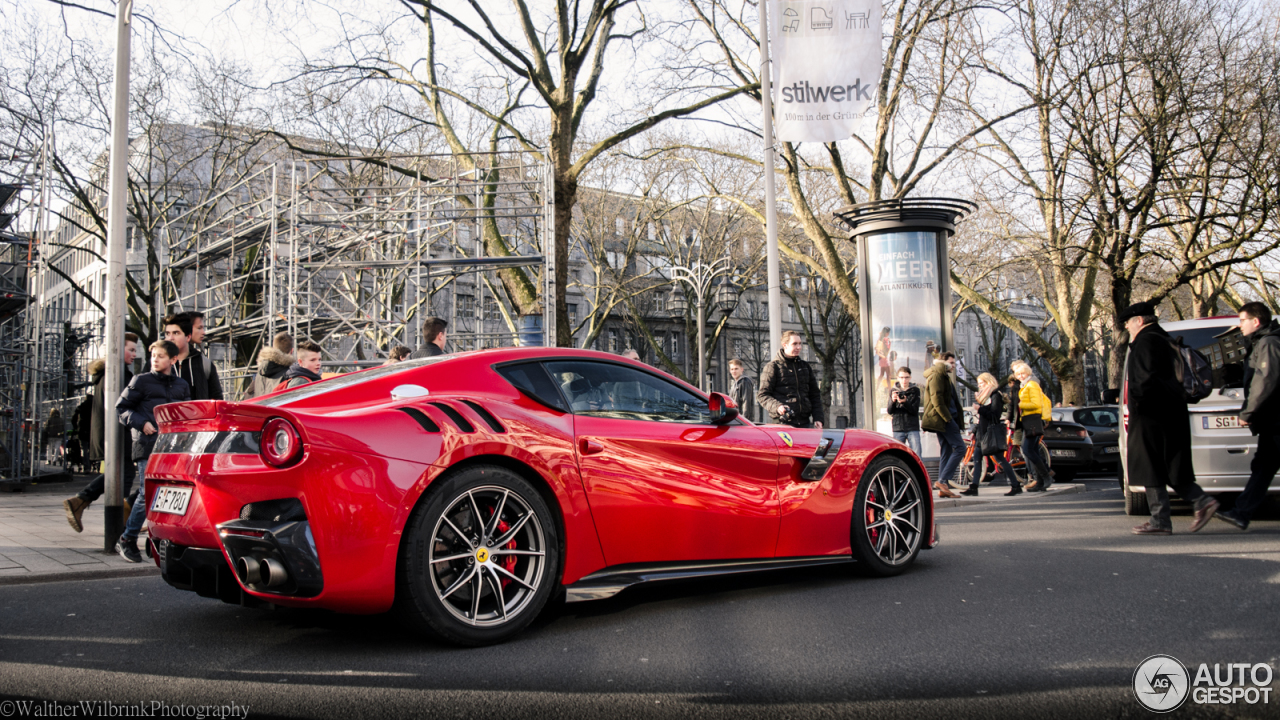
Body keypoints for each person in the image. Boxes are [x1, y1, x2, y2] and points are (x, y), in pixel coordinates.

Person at [1121, 301, 1218, 535]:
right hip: (1172, 410)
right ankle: (1198, 501)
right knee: (1170, 465)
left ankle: (1161, 520)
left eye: (1127, 323)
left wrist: (1138, 407)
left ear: (1139, 321)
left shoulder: (1144, 341)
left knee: (1149, 464)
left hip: (1151, 413)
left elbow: (1143, 380)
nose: (1126, 328)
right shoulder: (1164, 338)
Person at [115, 340, 191, 563]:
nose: (155, 360)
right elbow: (121, 408)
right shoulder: (141, 380)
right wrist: (141, 423)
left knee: (170, 494)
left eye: (160, 356)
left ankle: (162, 539)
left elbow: (185, 415)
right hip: (146, 444)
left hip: (172, 447)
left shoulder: (181, 385)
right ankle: (127, 539)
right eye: (153, 356)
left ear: (173, 360)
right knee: (147, 494)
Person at [63, 334, 139, 533]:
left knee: (119, 474)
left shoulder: (109, 373)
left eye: (135, 349)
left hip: (111, 434)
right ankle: (117, 527)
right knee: (123, 475)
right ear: (116, 350)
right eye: (130, 349)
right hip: (118, 435)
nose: (135, 354)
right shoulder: (117, 375)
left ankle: (83, 501)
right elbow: (123, 408)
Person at [1216, 302, 1280, 530]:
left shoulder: (1269, 343)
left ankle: (1241, 513)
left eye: (1242, 320)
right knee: (1263, 467)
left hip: (1276, 420)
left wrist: (1248, 412)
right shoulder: (1262, 343)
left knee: (1263, 467)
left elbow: (1266, 381)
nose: (1239, 325)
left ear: (1256, 321)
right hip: (1273, 420)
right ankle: (1241, 513)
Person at [963, 372, 1021, 496]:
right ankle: (974, 487)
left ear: (989, 382)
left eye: (982, 383)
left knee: (1001, 460)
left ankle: (1015, 485)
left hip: (990, 434)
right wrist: (975, 431)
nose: (980, 386)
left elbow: (994, 415)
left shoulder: (995, 395)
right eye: (978, 384)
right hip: (982, 433)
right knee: (978, 459)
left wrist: (980, 409)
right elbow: (981, 419)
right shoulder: (984, 397)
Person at [757, 331, 824, 429]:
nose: (799, 347)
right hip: (783, 423)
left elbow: (814, 395)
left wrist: (818, 418)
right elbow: (762, 395)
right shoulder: (773, 367)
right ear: (785, 345)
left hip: (805, 423)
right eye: (795, 344)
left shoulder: (805, 367)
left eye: (800, 343)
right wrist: (778, 407)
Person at [922, 352, 965, 497]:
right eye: (951, 363)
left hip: (945, 418)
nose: (954, 366)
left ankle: (943, 487)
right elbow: (937, 400)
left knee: (946, 450)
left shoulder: (943, 375)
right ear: (943, 363)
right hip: (945, 419)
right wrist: (948, 419)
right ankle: (942, 480)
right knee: (960, 448)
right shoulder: (937, 375)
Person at [1011, 360, 1054, 492]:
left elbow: (1036, 404)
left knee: (1028, 449)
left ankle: (1045, 476)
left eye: (1023, 373)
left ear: (1028, 373)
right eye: (1018, 374)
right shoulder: (1025, 385)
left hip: (1033, 421)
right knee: (1031, 450)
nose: (1020, 376)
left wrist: (1020, 405)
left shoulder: (1032, 385)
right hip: (1028, 421)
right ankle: (1040, 481)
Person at [163, 313, 223, 401]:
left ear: (188, 337)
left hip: (198, 414)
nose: (170, 338)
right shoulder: (156, 363)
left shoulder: (204, 364)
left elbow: (217, 399)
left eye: (176, 333)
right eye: (167, 334)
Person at [887, 366, 922, 456]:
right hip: (898, 428)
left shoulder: (915, 390)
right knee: (898, 455)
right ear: (898, 378)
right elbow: (890, 411)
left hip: (912, 427)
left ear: (910, 377)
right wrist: (893, 401)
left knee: (917, 455)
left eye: (906, 377)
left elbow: (914, 410)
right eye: (902, 377)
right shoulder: (893, 391)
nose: (904, 380)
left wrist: (905, 402)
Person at [249, 332, 294, 397]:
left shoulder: (260, 370)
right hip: (276, 407)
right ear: (292, 351)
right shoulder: (289, 373)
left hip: (259, 406)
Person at [727, 358, 756, 422]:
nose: (734, 371)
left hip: (741, 421)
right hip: (736, 419)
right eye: (732, 369)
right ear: (730, 371)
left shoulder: (745, 381)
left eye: (736, 369)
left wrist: (744, 420)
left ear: (741, 369)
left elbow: (746, 402)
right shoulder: (735, 384)